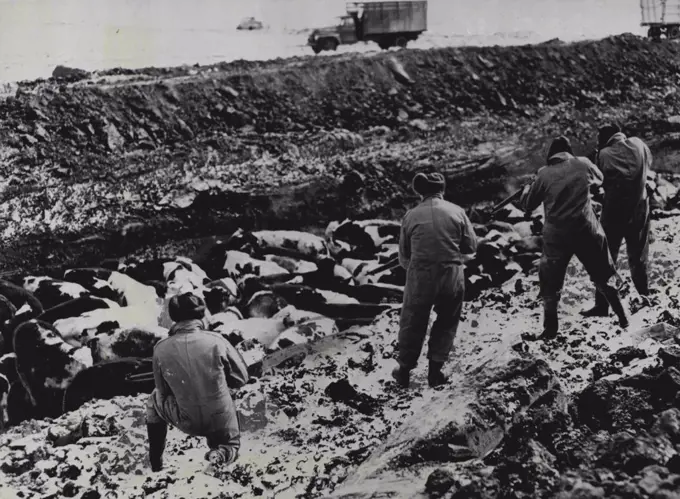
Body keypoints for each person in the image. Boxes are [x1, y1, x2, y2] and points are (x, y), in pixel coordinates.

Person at [520, 136, 629, 341]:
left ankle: (550, 329)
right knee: (602, 273)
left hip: (556, 235)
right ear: (569, 151)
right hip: (585, 229)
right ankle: (623, 318)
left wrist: (528, 186)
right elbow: (599, 179)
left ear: (551, 155)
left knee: (551, 283)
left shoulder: (543, 175)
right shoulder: (583, 164)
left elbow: (527, 204)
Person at [146, 292, 250, 472]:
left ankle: (156, 463)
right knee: (231, 443)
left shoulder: (160, 349)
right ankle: (222, 452)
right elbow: (241, 378)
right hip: (220, 419)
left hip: (187, 422)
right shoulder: (217, 341)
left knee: (153, 399)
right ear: (201, 314)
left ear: (173, 317)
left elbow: (162, 391)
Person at [392, 172, 478, 389]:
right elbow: (471, 247)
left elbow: (404, 257)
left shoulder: (410, 216)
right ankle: (435, 373)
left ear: (422, 192)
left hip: (421, 275)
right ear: (442, 189)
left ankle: (403, 371)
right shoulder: (457, 212)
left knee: (413, 321)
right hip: (451, 274)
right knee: (447, 320)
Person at [581, 124, 652, 317]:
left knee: (605, 258)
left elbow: (599, 182)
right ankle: (644, 296)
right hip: (639, 208)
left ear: (604, 139)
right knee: (638, 255)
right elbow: (648, 167)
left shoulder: (604, 154)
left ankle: (602, 306)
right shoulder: (639, 144)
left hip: (615, 213)